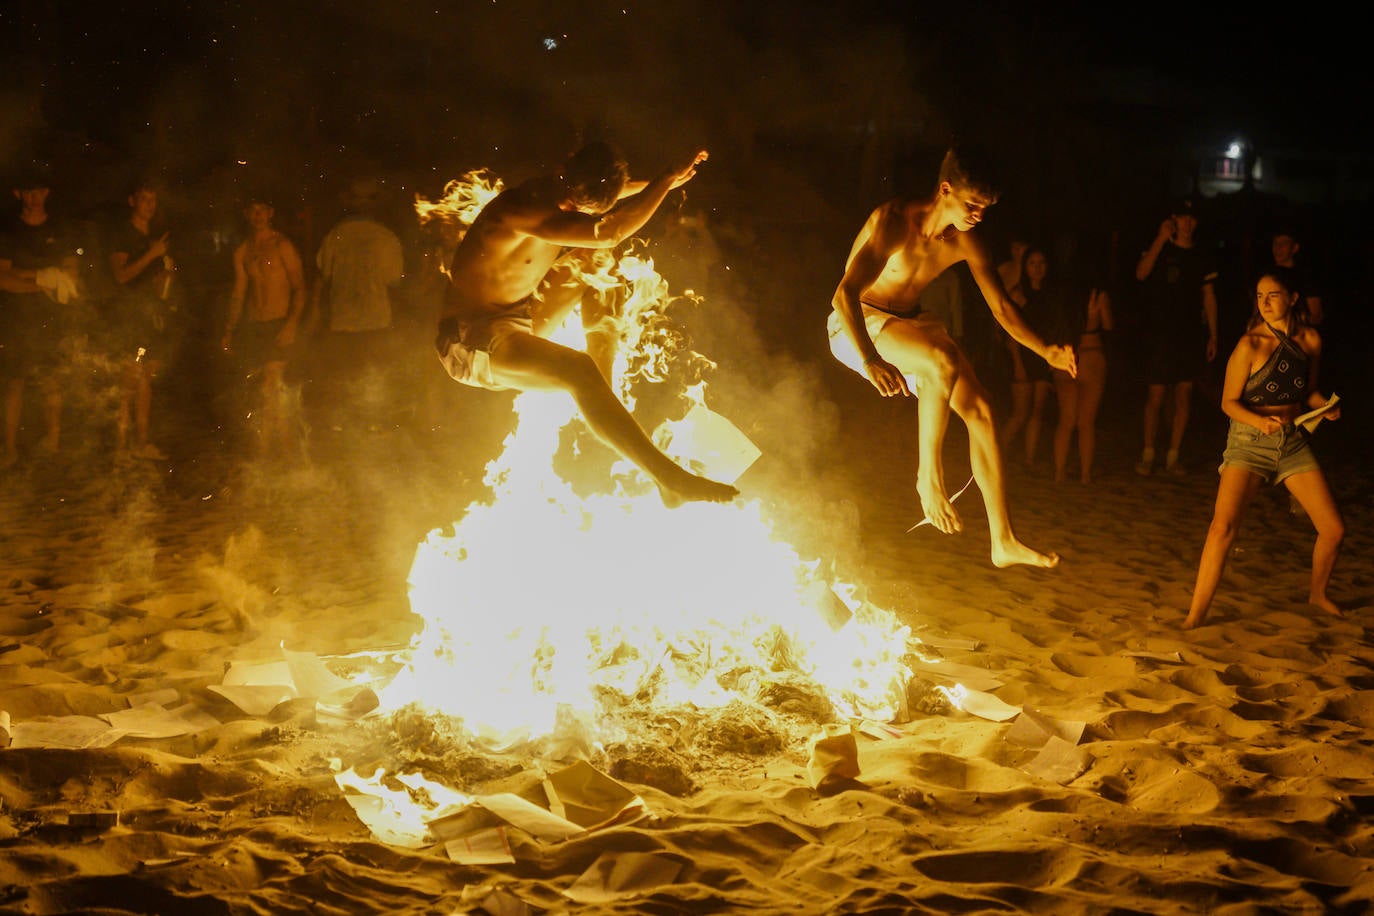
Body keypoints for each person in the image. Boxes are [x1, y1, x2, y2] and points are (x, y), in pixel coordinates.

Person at [436, 140, 737, 507]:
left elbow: (608, 207)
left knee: (597, 264)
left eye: (579, 207)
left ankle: (602, 398)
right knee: (577, 368)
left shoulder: (572, 187)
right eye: (570, 203)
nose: (570, 210)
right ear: (564, 170)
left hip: (520, 316)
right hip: (471, 340)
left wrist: (660, 183)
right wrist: (663, 180)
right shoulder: (523, 207)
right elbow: (609, 231)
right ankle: (669, 479)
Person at [827, 146, 1075, 568]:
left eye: (985, 208)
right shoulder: (893, 222)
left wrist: (1045, 349)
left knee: (982, 409)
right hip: (857, 324)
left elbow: (1001, 308)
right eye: (972, 204)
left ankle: (1003, 540)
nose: (978, 215)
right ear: (945, 190)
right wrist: (870, 360)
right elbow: (843, 295)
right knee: (942, 360)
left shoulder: (965, 239)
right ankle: (928, 480)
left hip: (909, 322)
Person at [1183, 267, 1342, 629]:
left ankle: (1318, 593)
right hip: (1249, 442)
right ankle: (1195, 617)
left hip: (1293, 442)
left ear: (1292, 298)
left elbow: (1307, 390)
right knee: (1221, 529)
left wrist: (1325, 407)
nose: (1265, 302)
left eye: (1272, 295)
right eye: (1259, 296)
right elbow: (1228, 402)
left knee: (1334, 529)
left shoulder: (1311, 340)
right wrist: (1260, 423)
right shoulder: (1250, 344)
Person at [305, 177, 405, 433]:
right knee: (369, 372)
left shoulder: (336, 235)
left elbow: (324, 273)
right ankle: (369, 422)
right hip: (371, 317)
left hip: (346, 317)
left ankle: (347, 421)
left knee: (346, 371)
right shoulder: (385, 237)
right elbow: (394, 278)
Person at [0, 164, 83, 468]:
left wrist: (53, 278)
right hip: (17, 319)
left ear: (46, 193)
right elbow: (2, 277)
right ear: (18, 194)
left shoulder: (59, 229)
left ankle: (54, 442)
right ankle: (9, 449)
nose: (34, 198)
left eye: (39, 191)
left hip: (52, 318)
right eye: (28, 192)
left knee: (52, 381)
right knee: (14, 384)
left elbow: (70, 273)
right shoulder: (8, 230)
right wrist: (41, 281)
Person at [1133, 196, 1218, 477]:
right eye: (1182, 218)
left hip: (1189, 336)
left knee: (1184, 396)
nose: (1187, 223)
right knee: (1155, 397)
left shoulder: (1202, 255)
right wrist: (1160, 238)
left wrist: (1213, 335)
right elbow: (1141, 273)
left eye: (1192, 218)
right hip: (1160, 335)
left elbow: (1209, 297)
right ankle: (1148, 453)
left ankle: (1173, 455)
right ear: (1173, 219)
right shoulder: (1162, 249)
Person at [220, 194, 307, 460]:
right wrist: (229, 328)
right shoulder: (243, 251)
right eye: (253, 210)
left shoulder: (282, 245)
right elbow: (239, 291)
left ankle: (272, 453)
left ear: (270, 213)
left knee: (271, 387)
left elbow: (300, 287)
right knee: (262, 391)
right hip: (254, 325)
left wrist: (292, 323)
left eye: (263, 210)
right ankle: (276, 450)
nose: (258, 215)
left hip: (278, 324)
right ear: (247, 214)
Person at [106, 179, 177, 461]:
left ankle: (141, 443)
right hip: (127, 318)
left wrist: (168, 275)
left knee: (145, 377)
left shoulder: (155, 238)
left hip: (149, 319)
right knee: (128, 380)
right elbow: (121, 275)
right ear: (132, 201)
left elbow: (159, 288)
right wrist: (152, 255)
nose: (149, 204)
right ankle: (121, 447)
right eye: (144, 198)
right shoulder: (123, 234)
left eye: (153, 199)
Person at [1050, 272, 1113, 484]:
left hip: (1065, 356)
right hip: (1092, 355)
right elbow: (1108, 325)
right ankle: (1085, 475)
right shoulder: (1098, 296)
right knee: (1086, 423)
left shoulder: (1061, 295)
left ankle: (1059, 472)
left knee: (1066, 421)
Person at [997, 245, 1057, 469]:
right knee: (1020, 413)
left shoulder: (1048, 294)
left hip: (1041, 358)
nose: (1038, 268)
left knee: (1037, 411)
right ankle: (996, 452)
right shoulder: (1017, 294)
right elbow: (1011, 335)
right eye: (1033, 263)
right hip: (1021, 357)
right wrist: (1017, 363)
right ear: (1025, 266)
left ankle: (1029, 459)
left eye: (1041, 263)